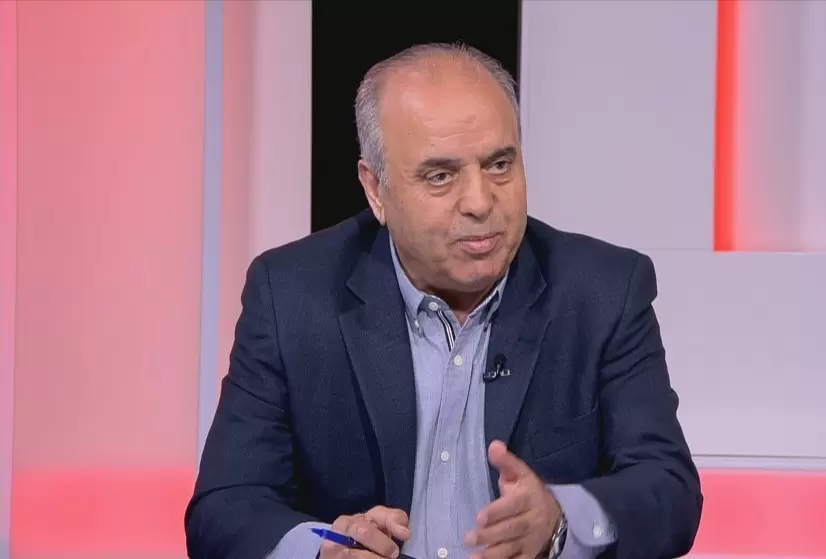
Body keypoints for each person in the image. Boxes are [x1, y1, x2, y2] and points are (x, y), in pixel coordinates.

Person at [185, 43, 702, 559]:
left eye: (499, 165)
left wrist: (559, 520)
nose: (479, 202)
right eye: (440, 176)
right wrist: (323, 551)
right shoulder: (292, 295)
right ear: (376, 190)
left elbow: (668, 489)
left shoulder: (602, 291)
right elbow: (225, 507)